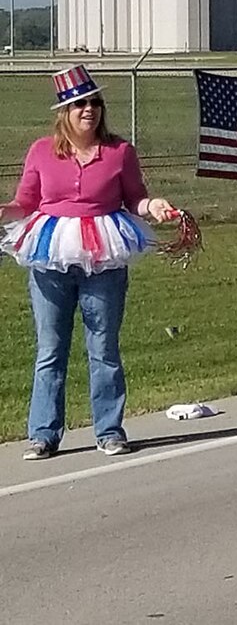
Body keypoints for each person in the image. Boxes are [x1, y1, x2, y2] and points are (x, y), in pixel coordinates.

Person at [5, 66, 177, 459]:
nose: (90, 110)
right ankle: (43, 434)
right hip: (51, 253)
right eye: (81, 103)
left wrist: (155, 207)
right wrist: (5, 211)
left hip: (105, 252)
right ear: (64, 111)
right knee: (51, 348)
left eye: (95, 102)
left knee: (104, 345)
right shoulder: (41, 151)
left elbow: (135, 197)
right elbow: (26, 202)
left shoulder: (120, 151)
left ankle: (109, 430)